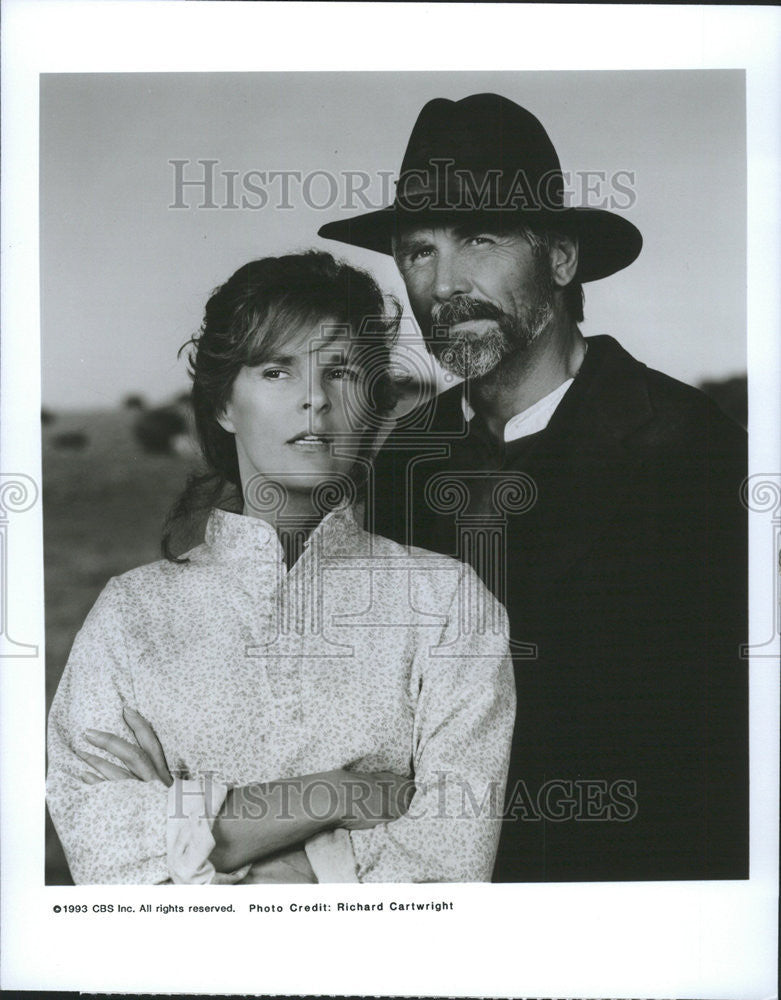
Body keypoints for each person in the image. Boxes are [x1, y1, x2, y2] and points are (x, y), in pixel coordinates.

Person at [318, 93, 748, 882]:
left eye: (478, 240)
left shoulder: (693, 452)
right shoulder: (398, 466)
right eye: (418, 251)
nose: (445, 283)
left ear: (558, 259)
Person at [46, 250, 515, 885]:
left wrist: (203, 834)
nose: (315, 400)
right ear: (222, 406)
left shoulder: (450, 606)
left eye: (343, 372)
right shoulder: (131, 614)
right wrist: (344, 793)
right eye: (276, 371)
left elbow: (447, 869)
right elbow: (105, 856)